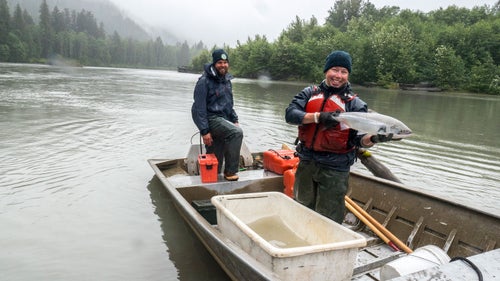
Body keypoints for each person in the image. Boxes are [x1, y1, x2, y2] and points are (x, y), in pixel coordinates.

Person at [285, 50, 395, 223]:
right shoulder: (309, 93)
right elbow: (290, 115)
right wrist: (318, 117)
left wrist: (373, 139)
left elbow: (358, 140)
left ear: (348, 75)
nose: (338, 75)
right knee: (301, 208)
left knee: (328, 218)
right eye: (335, 70)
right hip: (307, 162)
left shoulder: (355, 104)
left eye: (343, 72)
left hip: (335, 169)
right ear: (326, 71)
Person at [191, 49, 243, 181]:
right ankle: (231, 172)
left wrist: (234, 119)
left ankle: (216, 178)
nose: (223, 65)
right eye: (220, 62)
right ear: (214, 64)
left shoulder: (226, 81)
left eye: (225, 62)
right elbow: (198, 108)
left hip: (222, 120)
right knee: (236, 133)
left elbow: (228, 104)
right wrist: (205, 131)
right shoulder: (204, 81)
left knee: (216, 164)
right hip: (211, 119)